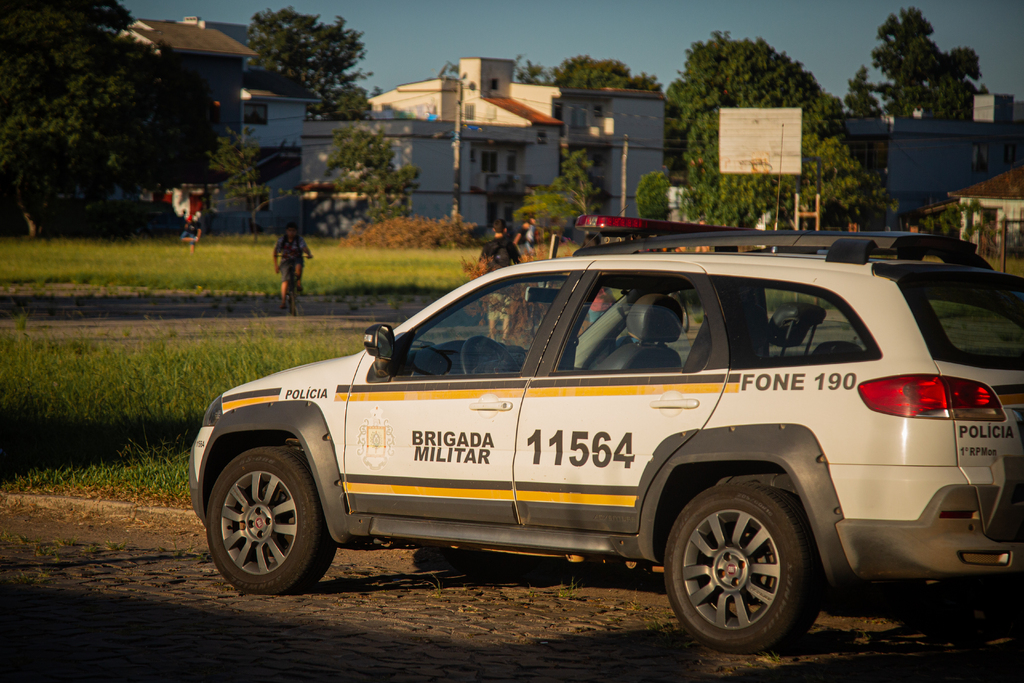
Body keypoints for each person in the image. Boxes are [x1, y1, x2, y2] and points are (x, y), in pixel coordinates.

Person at [274, 222, 313, 309]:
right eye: (289, 230)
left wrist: (308, 254)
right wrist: (276, 265)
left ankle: (298, 283)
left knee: (299, 266)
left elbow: (304, 248)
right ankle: (283, 301)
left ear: (296, 231)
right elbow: (275, 252)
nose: (291, 233)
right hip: (285, 260)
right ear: (286, 231)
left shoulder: (299, 240)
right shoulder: (282, 240)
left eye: (293, 231)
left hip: (297, 258)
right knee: (285, 280)